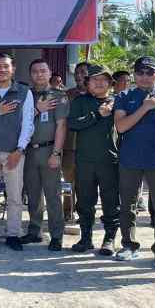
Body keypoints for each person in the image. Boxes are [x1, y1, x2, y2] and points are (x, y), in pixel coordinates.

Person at [113, 56, 155, 265]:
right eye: (140, 72)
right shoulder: (125, 95)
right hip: (130, 159)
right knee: (127, 205)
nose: (144, 77)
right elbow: (121, 127)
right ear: (134, 74)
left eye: (150, 72)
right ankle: (128, 245)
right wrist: (145, 107)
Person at [0, 53, 34, 251]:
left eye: (6, 66)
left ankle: (13, 234)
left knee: (14, 197)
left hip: (14, 152)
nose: (2, 70)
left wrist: (20, 150)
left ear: (13, 69)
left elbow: (28, 124)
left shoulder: (24, 92)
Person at [67, 64, 120, 255]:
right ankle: (86, 237)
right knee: (85, 202)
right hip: (84, 161)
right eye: (94, 79)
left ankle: (109, 239)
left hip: (109, 160)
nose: (98, 83)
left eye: (103, 79)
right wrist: (97, 114)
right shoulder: (80, 101)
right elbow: (72, 124)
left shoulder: (117, 102)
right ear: (87, 83)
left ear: (110, 83)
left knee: (111, 201)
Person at [20, 59, 68, 251]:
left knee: (53, 195)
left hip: (49, 150)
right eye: (35, 72)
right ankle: (34, 231)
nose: (39, 75)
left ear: (49, 73)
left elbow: (61, 125)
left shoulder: (59, 96)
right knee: (32, 195)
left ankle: (56, 235)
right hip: (29, 150)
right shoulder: (26, 96)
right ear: (30, 75)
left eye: (43, 71)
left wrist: (56, 153)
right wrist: (37, 110)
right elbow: (19, 122)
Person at [62, 61, 89, 219]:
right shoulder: (68, 95)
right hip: (69, 147)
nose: (79, 76)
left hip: (89, 148)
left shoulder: (97, 94)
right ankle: (67, 211)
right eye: (77, 73)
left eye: (83, 72)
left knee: (86, 184)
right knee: (67, 183)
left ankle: (85, 213)